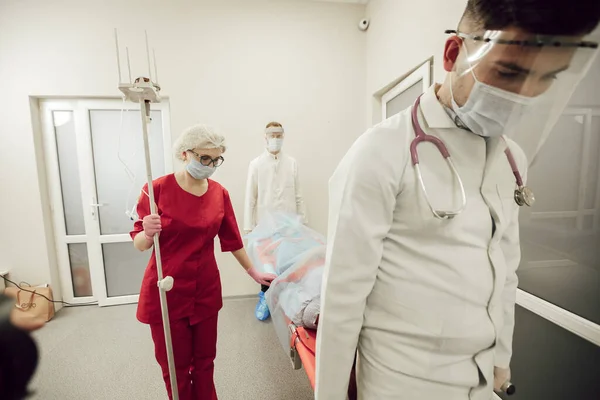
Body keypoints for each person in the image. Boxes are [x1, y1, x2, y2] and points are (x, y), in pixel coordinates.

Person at [315, 1, 600, 399]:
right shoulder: (378, 153)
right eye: (510, 72)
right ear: (454, 53)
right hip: (402, 385)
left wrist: (502, 360)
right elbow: (342, 297)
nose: (526, 94)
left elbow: (506, 269)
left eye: (547, 78)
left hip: (484, 383)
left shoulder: (511, 157)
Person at [131, 124, 276, 400]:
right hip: (167, 291)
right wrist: (147, 233)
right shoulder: (156, 190)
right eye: (204, 158)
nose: (210, 165)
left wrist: (253, 272)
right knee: (175, 367)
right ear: (185, 154)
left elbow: (232, 240)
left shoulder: (218, 193)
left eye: (216, 159)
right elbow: (139, 243)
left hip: (205, 289)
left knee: (205, 362)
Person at [244, 121, 307, 321]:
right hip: (265, 223)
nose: (275, 139)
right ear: (265, 137)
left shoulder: (292, 163)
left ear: (284, 136)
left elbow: (299, 195)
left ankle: (287, 298)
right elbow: (250, 197)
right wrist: (249, 226)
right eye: (272, 135)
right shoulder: (256, 164)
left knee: (290, 260)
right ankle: (265, 295)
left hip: (289, 222)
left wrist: (302, 222)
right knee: (267, 263)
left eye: (279, 135)